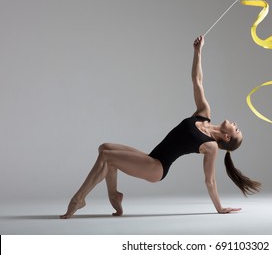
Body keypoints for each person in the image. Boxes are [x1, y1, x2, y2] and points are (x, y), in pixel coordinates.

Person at [60, 35, 260, 219]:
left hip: (157, 168)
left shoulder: (211, 146)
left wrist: (219, 208)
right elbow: (197, 81)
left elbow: (210, 181)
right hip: (151, 157)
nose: (236, 125)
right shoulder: (204, 114)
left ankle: (79, 200)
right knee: (104, 148)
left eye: (237, 130)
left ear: (226, 138)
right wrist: (198, 52)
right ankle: (114, 195)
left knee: (107, 157)